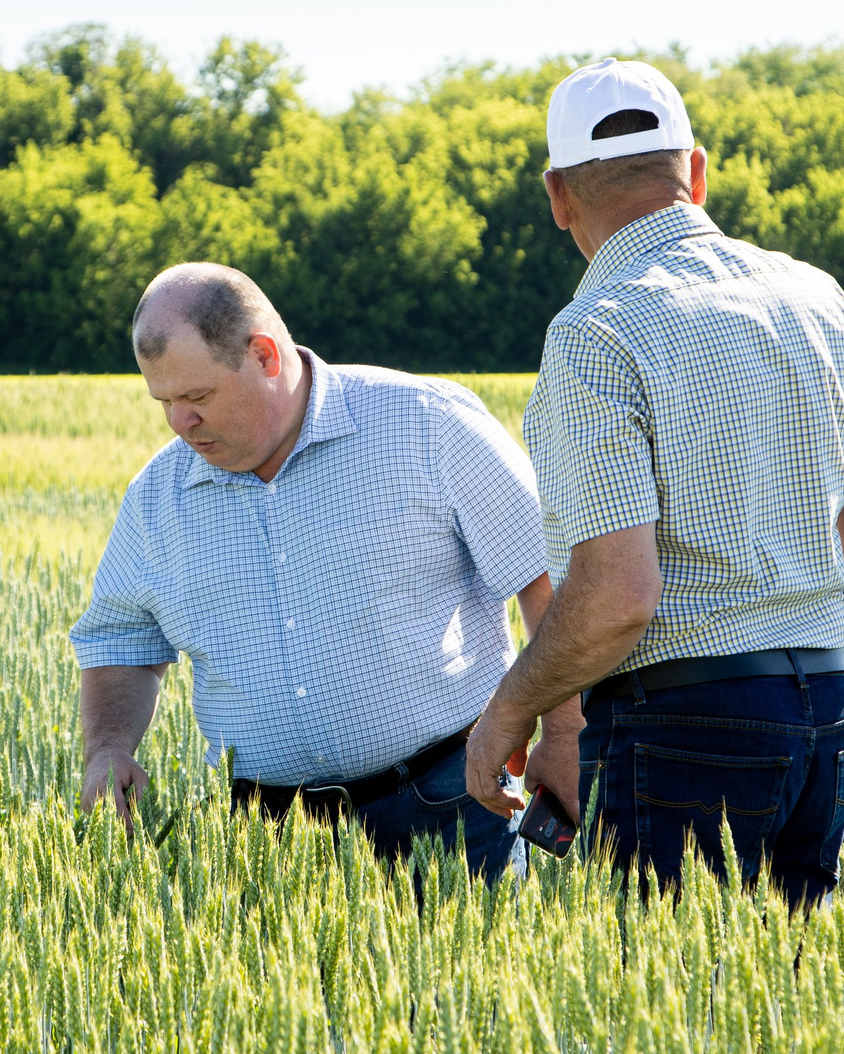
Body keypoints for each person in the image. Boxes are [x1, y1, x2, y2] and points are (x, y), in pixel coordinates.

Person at [461, 59, 844, 906]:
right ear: (696, 170)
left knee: (671, 1019)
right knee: (794, 1014)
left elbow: (617, 594)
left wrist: (506, 713)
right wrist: (836, 733)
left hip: (679, 723)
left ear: (558, 195)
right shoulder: (821, 300)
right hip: (824, 704)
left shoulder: (597, 332)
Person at [69, 263, 585, 880]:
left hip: (451, 803)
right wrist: (107, 749)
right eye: (165, 402)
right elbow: (120, 639)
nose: (180, 422)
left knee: (478, 978)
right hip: (267, 839)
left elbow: (546, 581)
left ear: (264, 355)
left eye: (198, 396)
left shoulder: (426, 424)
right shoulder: (159, 495)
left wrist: (564, 732)